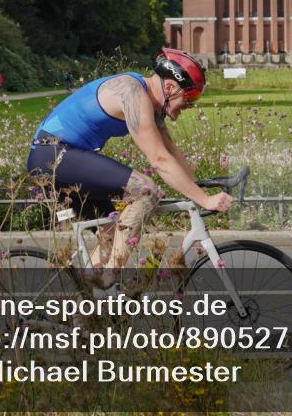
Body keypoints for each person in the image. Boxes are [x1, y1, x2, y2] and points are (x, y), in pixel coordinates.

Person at [26, 47, 232, 281]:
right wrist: (205, 200)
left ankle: (91, 298)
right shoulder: (133, 93)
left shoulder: (152, 104)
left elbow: (170, 152)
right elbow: (159, 160)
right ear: (169, 88)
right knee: (146, 191)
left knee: (113, 234)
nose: (190, 105)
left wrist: (200, 187)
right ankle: (109, 283)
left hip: (63, 156)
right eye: (190, 97)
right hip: (52, 156)